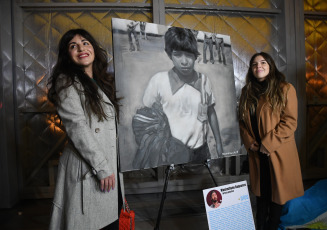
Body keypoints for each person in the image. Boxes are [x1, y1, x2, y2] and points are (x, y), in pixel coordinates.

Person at [47, 29, 124, 230]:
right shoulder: (67, 81)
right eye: (73, 46)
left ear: (93, 48)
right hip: (89, 167)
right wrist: (102, 167)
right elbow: (77, 127)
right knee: (90, 223)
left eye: (85, 42)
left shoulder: (103, 82)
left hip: (108, 164)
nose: (81, 48)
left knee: (110, 220)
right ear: (67, 55)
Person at [134, 27, 223, 168]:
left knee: (201, 185)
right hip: (170, 153)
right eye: (178, 55)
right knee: (174, 187)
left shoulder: (204, 80)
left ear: (195, 55)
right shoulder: (158, 81)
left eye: (188, 55)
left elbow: (211, 111)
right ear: (169, 55)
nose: (184, 61)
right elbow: (146, 116)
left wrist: (218, 142)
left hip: (201, 151)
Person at [238, 52, 304, 230]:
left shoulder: (285, 89)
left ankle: (272, 227)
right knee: (261, 195)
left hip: (277, 151)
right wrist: (249, 141)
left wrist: (268, 144)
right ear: (251, 69)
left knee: (277, 196)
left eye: (263, 62)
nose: (258, 66)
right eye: (254, 64)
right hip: (256, 153)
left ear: (270, 66)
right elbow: (242, 122)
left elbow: (290, 122)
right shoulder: (247, 91)